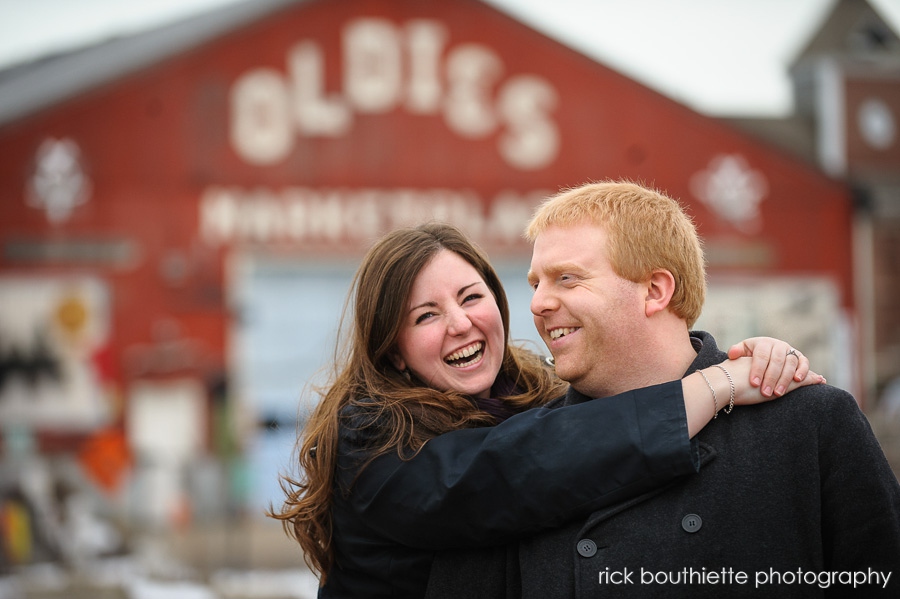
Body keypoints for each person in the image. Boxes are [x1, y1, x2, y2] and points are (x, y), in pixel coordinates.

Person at [269, 222, 822, 598]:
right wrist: (718, 385)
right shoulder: (372, 440)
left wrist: (756, 361)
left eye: (470, 296)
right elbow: (514, 471)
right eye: (425, 316)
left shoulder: (543, 394)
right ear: (393, 348)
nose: (460, 323)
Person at [425, 181, 900, 598]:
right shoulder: (512, 450)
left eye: (566, 278)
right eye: (535, 284)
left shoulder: (810, 426)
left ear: (655, 290)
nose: (539, 303)